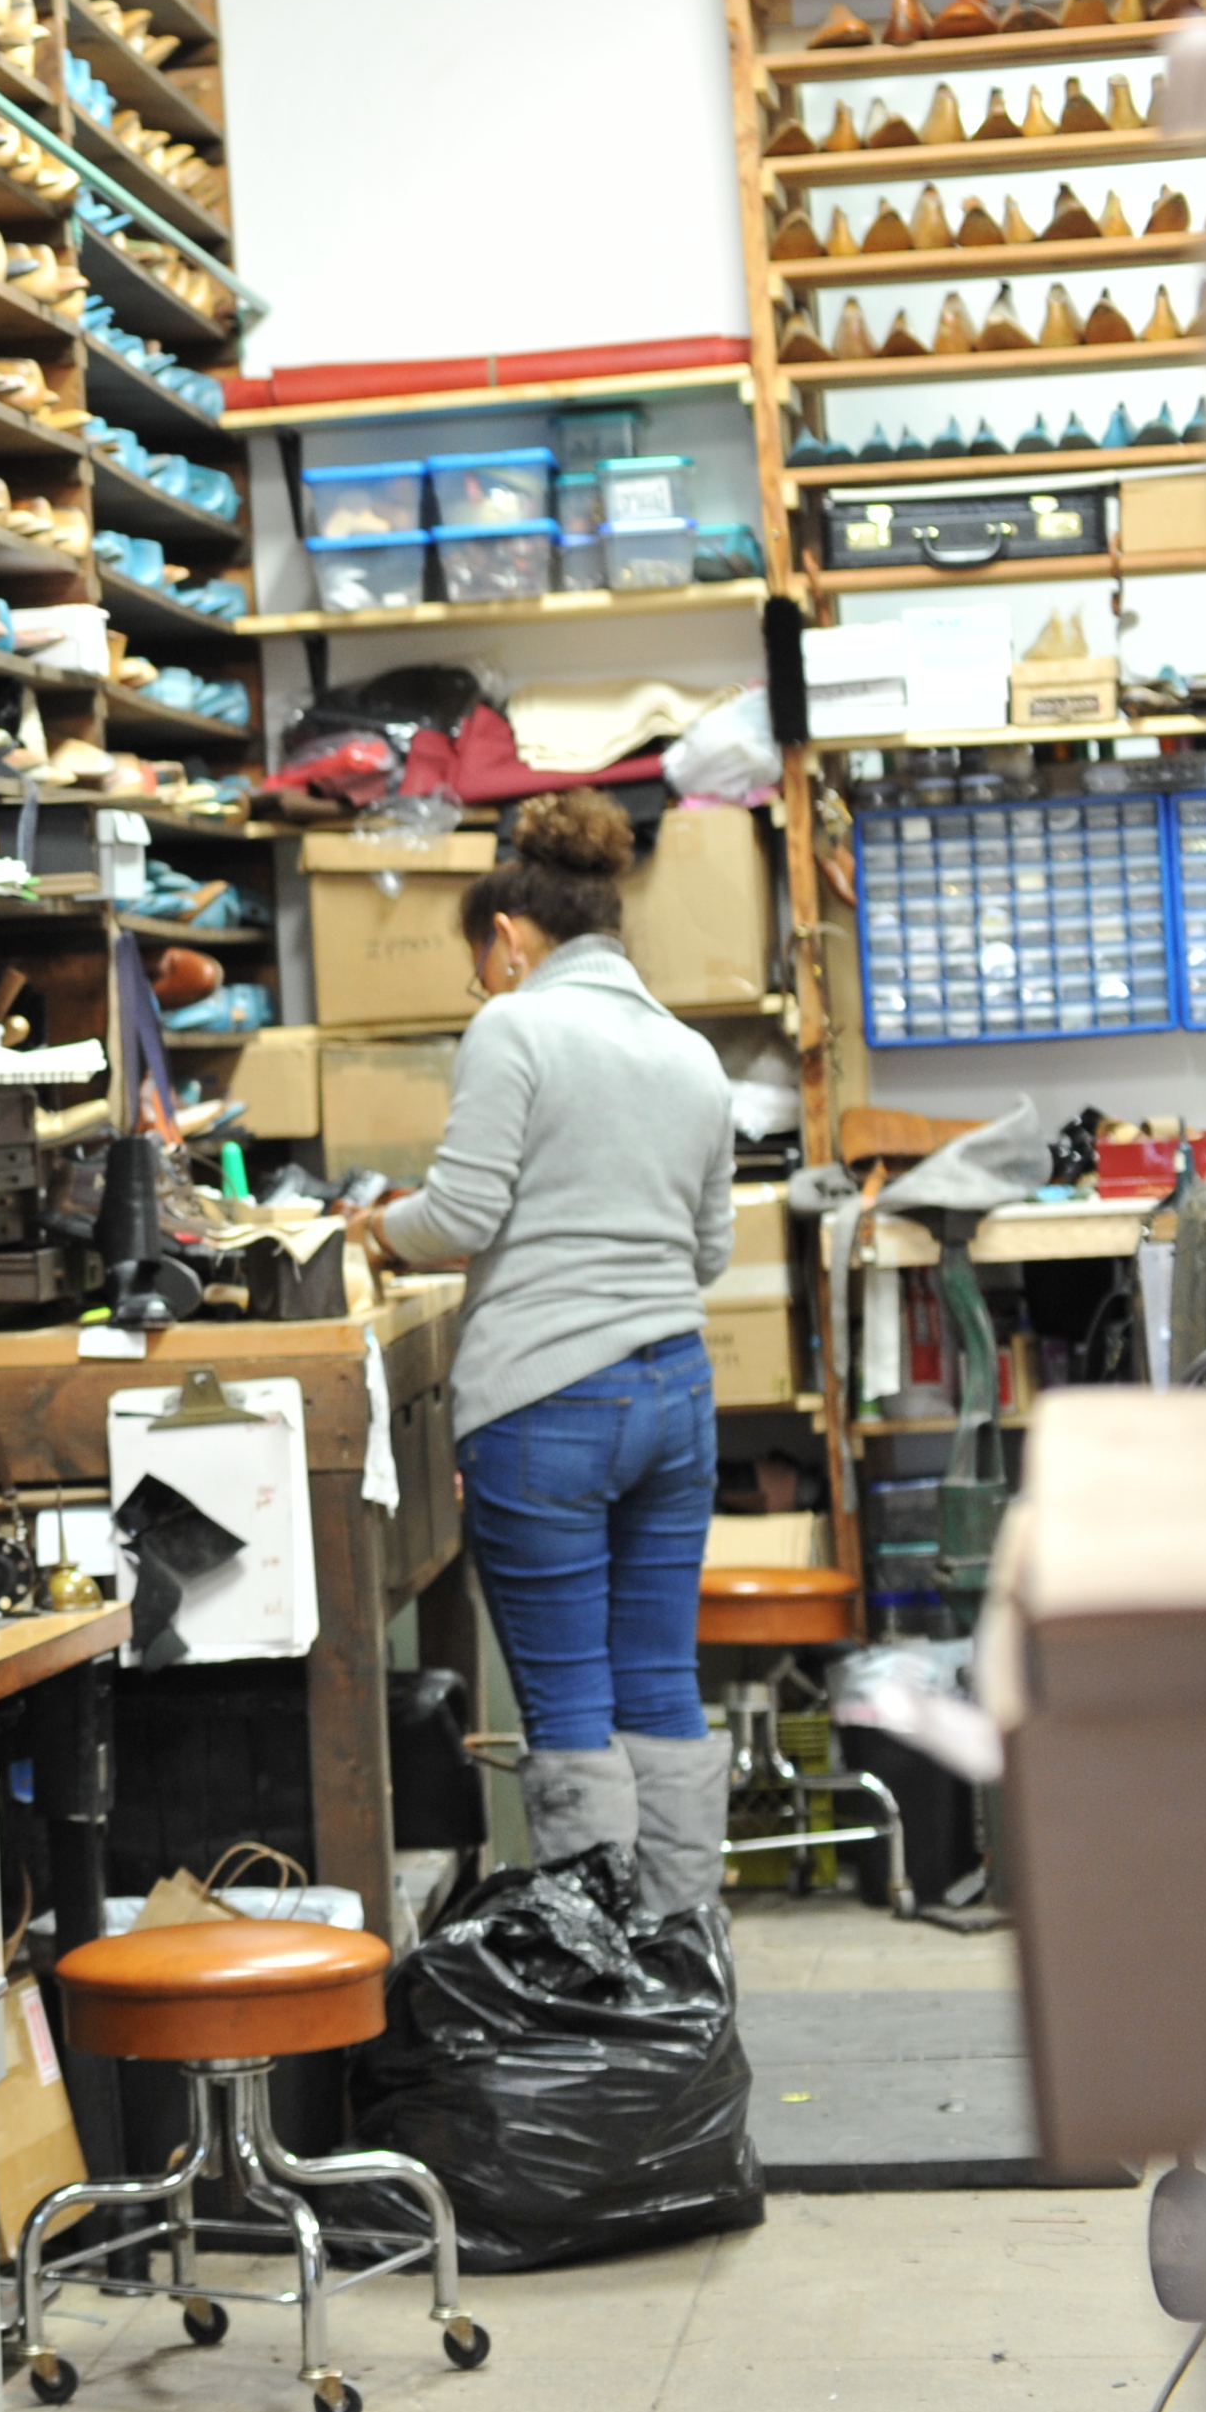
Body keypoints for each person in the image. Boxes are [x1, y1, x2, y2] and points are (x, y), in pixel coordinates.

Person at [339, 790, 735, 1913]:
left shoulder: (515, 1028)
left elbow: (461, 1215)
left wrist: (374, 1227)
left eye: (481, 968)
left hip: (547, 1400)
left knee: (567, 1705)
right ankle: (680, 1950)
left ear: (508, 938)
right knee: (660, 1684)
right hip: (676, 1390)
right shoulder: (691, 1053)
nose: (484, 987)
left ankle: (593, 1968)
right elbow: (708, 1250)